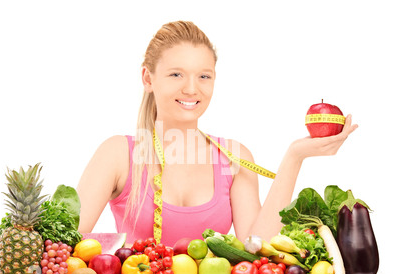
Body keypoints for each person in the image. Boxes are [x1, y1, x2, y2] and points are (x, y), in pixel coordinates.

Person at [76, 21, 358, 247]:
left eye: (204, 76)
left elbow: (257, 247)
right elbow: (66, 241)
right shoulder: (117, 155)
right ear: (148, 79)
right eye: (176, 74)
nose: (191, 89)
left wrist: (295, 157)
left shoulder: (234, 157)